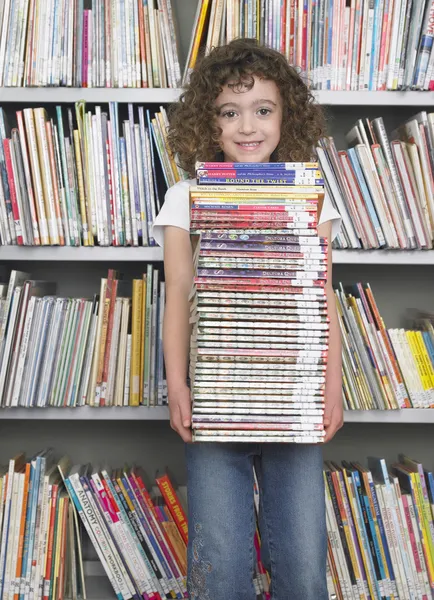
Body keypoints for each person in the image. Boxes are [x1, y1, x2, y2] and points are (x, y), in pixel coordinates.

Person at [152, 38, 343, 600]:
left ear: (287, 118)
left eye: (263, 110)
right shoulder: (186, 197)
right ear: (208, 123)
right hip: (216, 396)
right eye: (229, 112)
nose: (247, 126)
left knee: (304, 564)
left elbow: (321, 297)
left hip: (293, 396)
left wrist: (331, 385)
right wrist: (178, 385)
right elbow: (179, 293)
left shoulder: (311, 197)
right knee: (220, 566)